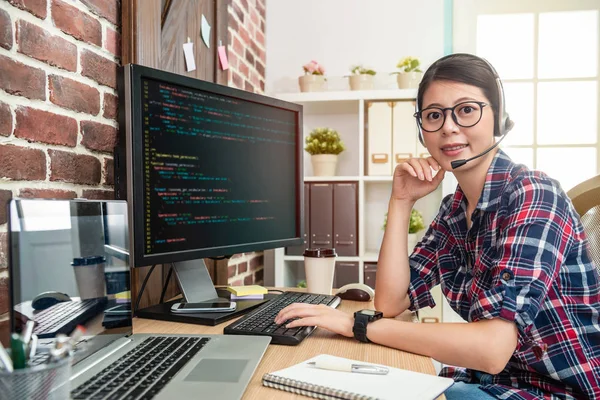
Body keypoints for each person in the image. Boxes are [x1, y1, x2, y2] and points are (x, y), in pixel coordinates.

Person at [275, 53, 600, 399]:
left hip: (555, 393)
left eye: (466, 109)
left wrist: (359, 325)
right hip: (493, 382)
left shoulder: (534, 195)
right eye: (433, 115)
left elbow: (492, 349)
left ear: (499, 119)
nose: (448, 126)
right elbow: (390, 300)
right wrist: (401, 202)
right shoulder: (455, 210)